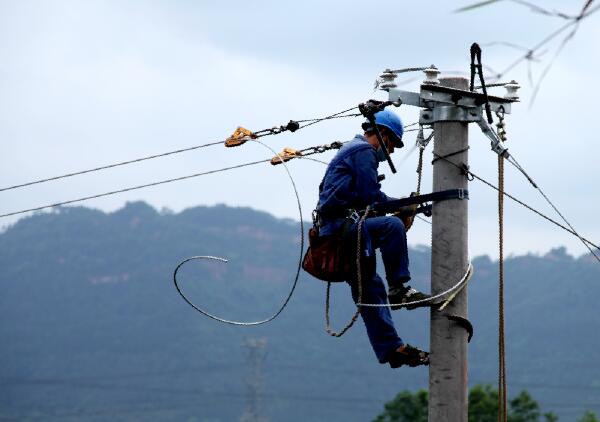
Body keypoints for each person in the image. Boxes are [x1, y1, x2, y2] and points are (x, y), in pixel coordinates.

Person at [314, 109, 430, 368]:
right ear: (383, 134)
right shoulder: (362, 151)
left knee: (370, 289)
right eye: (392, 145)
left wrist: (406, 206)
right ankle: (400, 287)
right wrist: (404, 206)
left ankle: (392, 348)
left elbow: (366, 200)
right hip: (342, 229)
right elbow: (371, 197)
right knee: (392, 227)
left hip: (338, 232)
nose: (391, 152)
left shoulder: (352, 150)